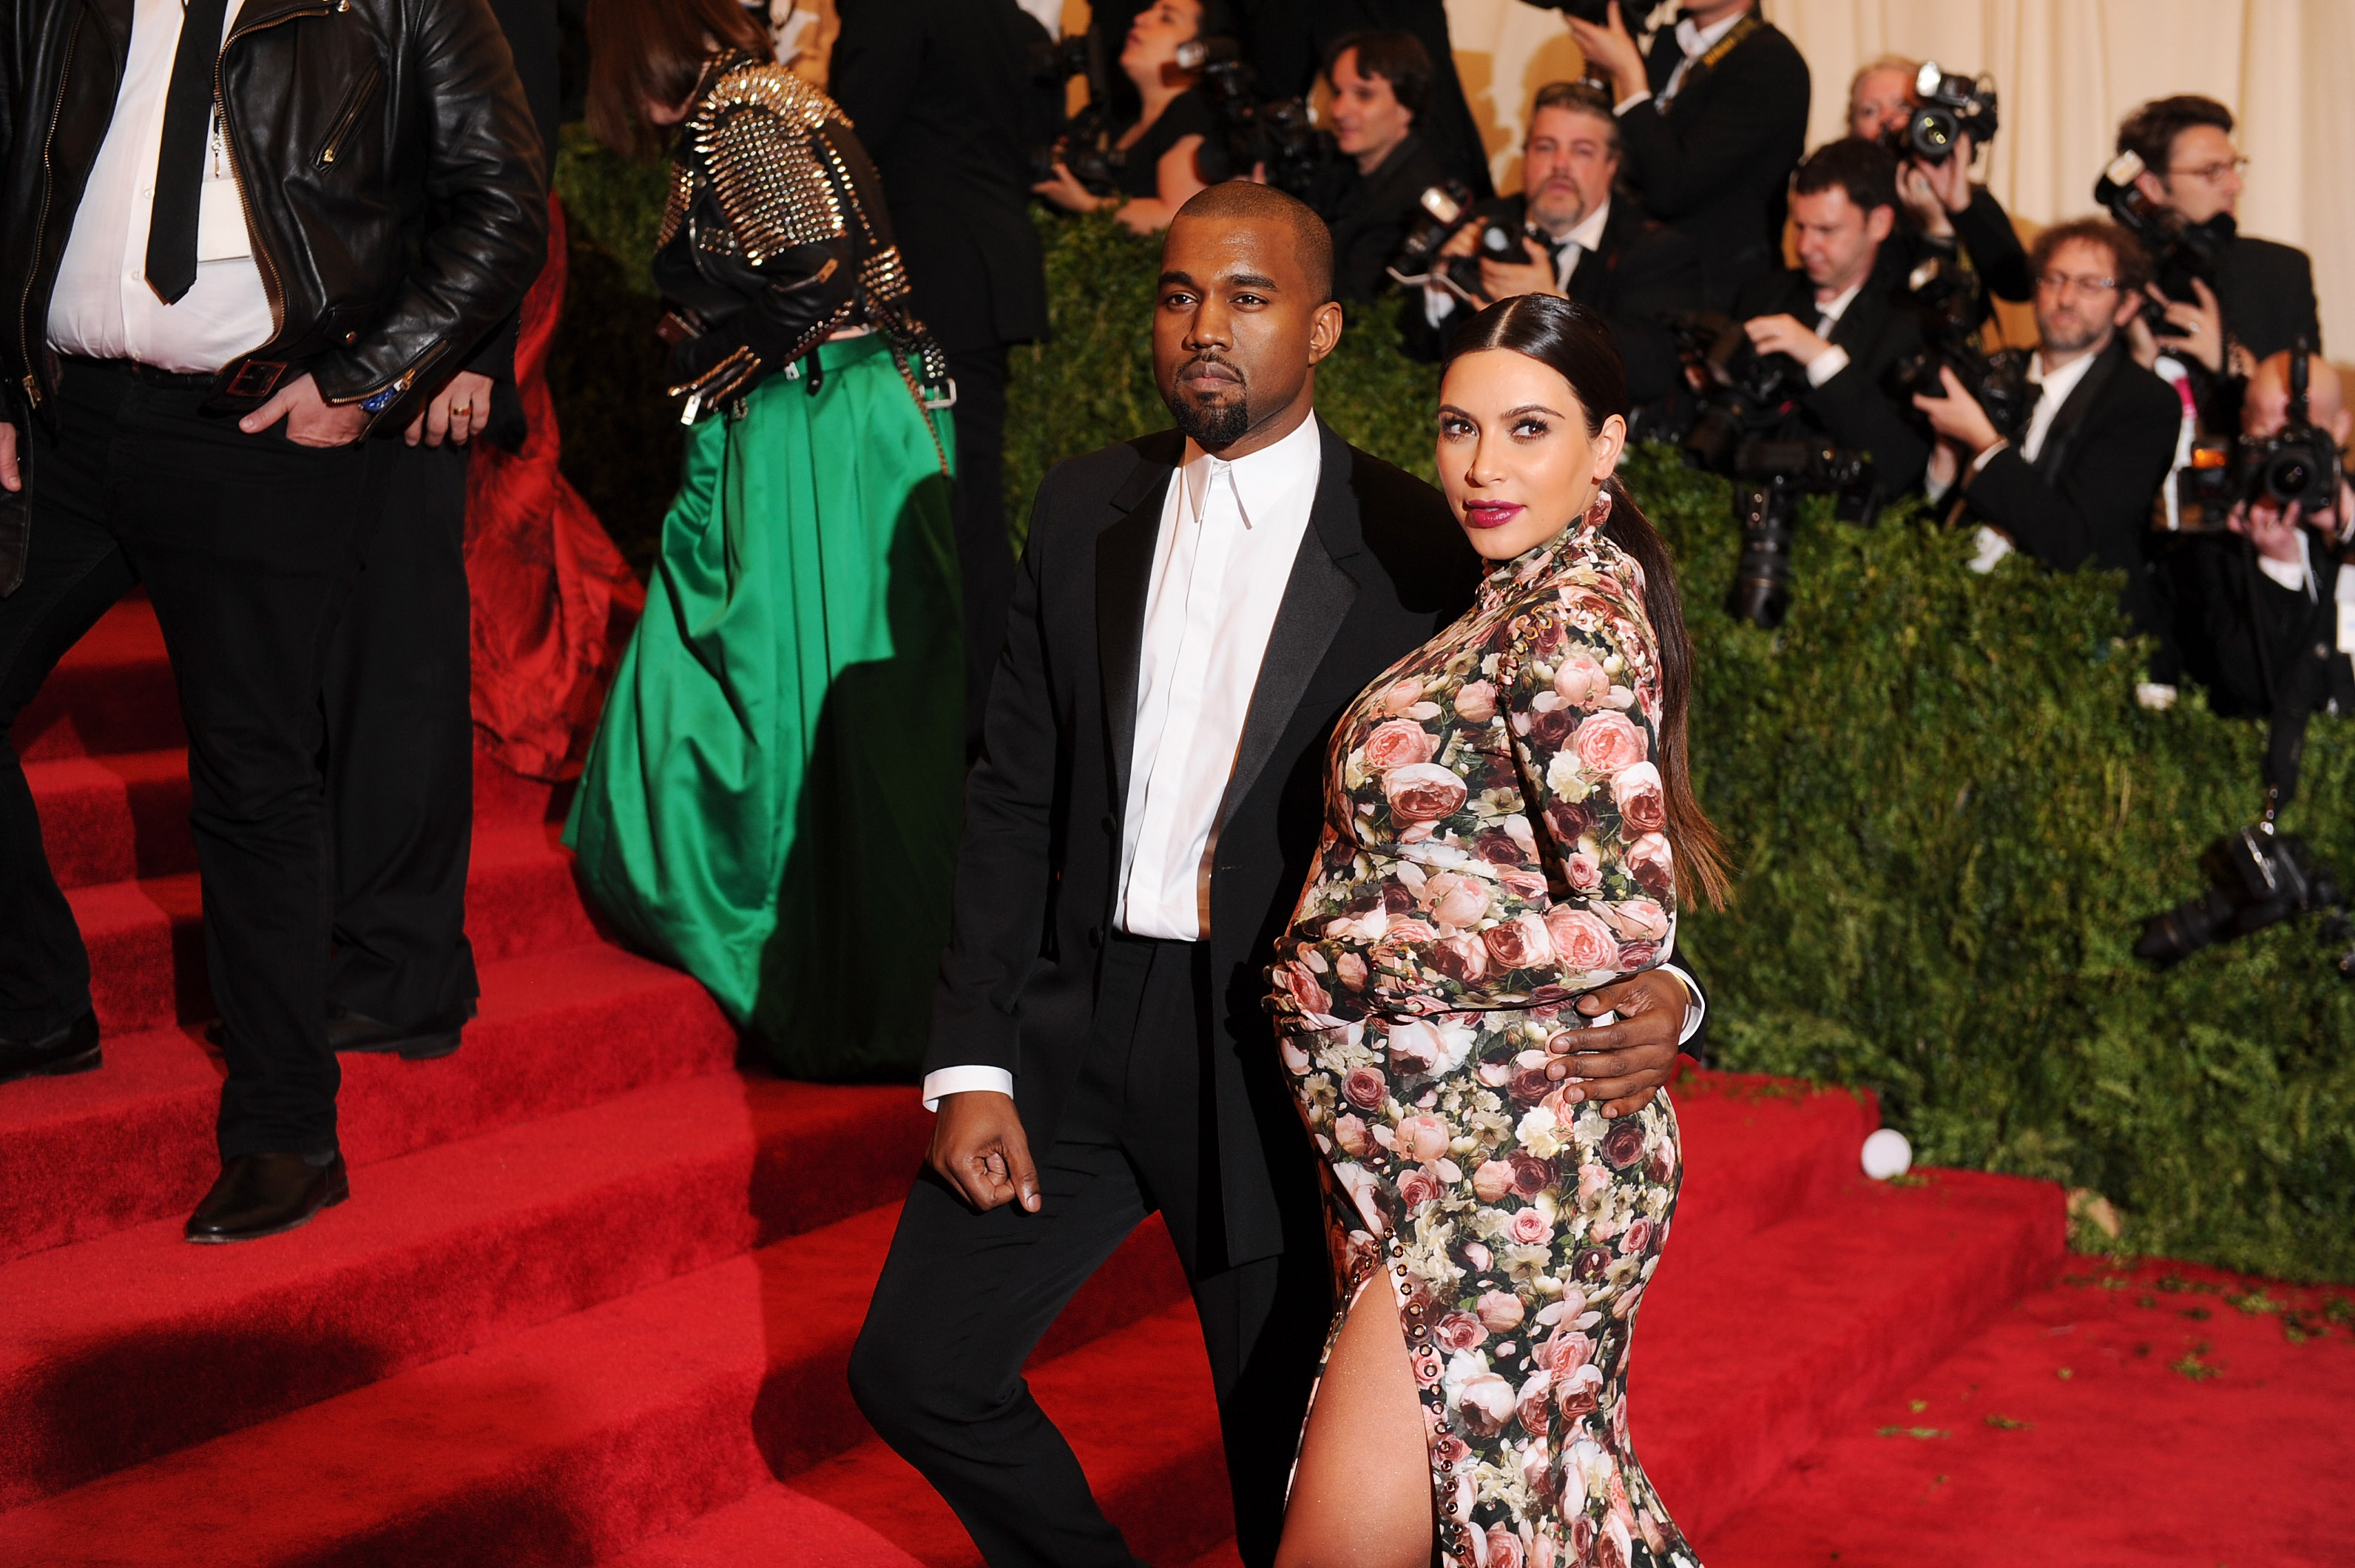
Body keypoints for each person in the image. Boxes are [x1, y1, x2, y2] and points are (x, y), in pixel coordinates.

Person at [846, 182, 1708, 1568]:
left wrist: (1666, 981)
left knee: (1289, 1491)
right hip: (1072, 1037)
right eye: (1178, 293)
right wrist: (970, 1063)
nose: (1204, 327)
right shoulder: (1080, 510)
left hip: (1274, 1069)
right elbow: (1009, 797)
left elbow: (1577, 793)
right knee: (913, 1369)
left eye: (1246, 299)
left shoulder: (1428, 542)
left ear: (1319, 328)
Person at [0, 0, 541, 1243]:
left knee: (254, 779)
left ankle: (289, 1129)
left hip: (259, 435)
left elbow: (500, 203)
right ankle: (36, 999)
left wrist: (366, 382)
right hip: (67, 420)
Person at [1270, 291, 1726, 1567]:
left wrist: (1369, 956)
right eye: (1458, 428)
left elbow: (1633, 912)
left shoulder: (1569, 617)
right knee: (1543, 1528)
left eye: (1528, 429)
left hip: (1504, 1172)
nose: (1482, 466)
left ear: (1608, 444)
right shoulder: (1515, 598)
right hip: (1431, 1157)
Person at [563, 0, 963, 1081]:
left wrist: (712, 356)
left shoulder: (738, 110)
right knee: (856, 720)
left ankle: (824, 988)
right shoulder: (779, 98)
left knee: (795, 704)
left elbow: (816, 276)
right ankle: (874, 990)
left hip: (817, 433)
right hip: (855, 424)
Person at [323, 0, 565, 1062]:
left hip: (419, 349)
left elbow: (516, 150)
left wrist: (471, 348)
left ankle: (401, 969)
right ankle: (355, 950)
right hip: (305, 346)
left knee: (399, 664)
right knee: (339, 661)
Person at [834, 0, 1050, 751]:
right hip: (975, 266)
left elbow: (851, 143)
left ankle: (963, 724)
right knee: (964, 499)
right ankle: (973, 722)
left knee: (945, 504)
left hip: (935, 276)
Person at [1916, 218, 2182, 655]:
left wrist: (1985, 445)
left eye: (2090, 284)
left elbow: (2075, 541)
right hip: (1956, 614)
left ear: (2128, 304)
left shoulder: (2144, 403)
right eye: (2054, 279)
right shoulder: (1994, 372)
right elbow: (1928, 511)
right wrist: (1943, 468)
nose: (2066, 297)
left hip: (2069, 637)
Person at [1399, 81, 1700, 428]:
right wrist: (1442, 283)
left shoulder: (1655, 249)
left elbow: (1651, 371)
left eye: (1582, 151)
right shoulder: (1482, 220)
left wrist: (1553, 304)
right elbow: (1411, 347)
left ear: (1611, 165)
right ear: (1525, 155)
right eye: (1545, 147)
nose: (1560, 165)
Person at [1564, 0, 1811, 310]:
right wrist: (1601, 75)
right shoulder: (1669, 42)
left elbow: (1673, 188)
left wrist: (1629, 75)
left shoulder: (1772, 62)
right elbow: (1628, 156)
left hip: (1711, 295)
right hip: (1630, 273)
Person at [1732, 138, 1931, 497]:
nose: (1805, 247)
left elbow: (1900, 462)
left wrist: (1821, 359)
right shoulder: (1766, 296)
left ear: (1879, 223)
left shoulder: (1909, 324)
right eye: (1800, 226)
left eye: (1826, 230)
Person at [2170, 351, 2355, 720]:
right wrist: (2278, 567)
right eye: (2265, 440)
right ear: (2244, 427)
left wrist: (2349, 527)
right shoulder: (2221, 540)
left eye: (2299, 439)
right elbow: (2248, 690)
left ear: (2340, 427)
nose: (2283, 458)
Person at [2116, 95, 2320, 394]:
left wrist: (2237, 365)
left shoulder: (2282, 272)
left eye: (2234, 167)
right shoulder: (2109, 274)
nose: (2236, 186)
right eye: (2211, 172)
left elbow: (2313, 411)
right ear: (2152, 186)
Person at [1845, 55, 2030, 305]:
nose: (1888, 120)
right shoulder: (1846, 206)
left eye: (1903, 106)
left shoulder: (1970, 196)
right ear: (1853, 128)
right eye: (1870, 111)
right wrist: (1937, 230)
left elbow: (2020, 288)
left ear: (1931, 117)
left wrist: (1961, 208)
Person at [1033, 0, 1220, 234]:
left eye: (1167, 18)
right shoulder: (1118, 119)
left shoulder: (1191, 111)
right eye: (1149, 10)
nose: (1141, 18)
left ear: (1197, 54)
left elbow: (1178, 215)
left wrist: (1086, 205)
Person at [1308, 30, 1450, 303]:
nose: (1338, 110)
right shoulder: (1338, 168)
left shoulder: (1417, 199)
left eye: (1363, 95)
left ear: (1407, 107)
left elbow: (1355, 304)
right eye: (1337, 92)